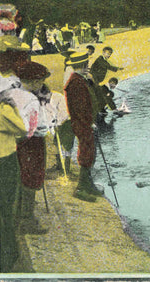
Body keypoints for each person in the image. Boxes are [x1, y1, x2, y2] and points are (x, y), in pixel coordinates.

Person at [13, 61, 51, 234]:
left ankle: (21, 214)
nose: (41, 84)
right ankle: (26, 219)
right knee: (31, 175)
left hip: (24, 141)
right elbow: (34, 125)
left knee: (26, 174)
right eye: (40, 80)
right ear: (34, 81)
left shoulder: (16, 93)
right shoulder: (27, 98)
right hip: (30, 141)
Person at [64, 52, 103, 202]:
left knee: (89, 152)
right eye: (86, 65)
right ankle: (81, 188)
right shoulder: (77, 83)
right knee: (86, 153)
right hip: (83, 124)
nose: (88, 68)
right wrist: (90, 123)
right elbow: (81, 109)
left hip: (83, 123)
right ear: (82, 66)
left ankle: (88, 184)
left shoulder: (79, 80)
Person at [0, 87, 27, 272]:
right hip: (3, 160)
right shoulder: (3, 109)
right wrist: (13, 107)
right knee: (4, 211)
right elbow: (22, 129)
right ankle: (7, 258)